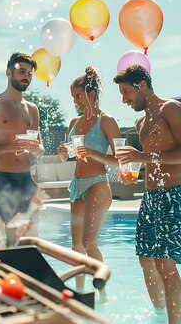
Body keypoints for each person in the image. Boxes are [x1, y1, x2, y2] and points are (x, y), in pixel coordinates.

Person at [113, 65, 181, 324]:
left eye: (127, 92)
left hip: (172, 196)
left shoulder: (170, 109)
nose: (124, 99)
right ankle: (159, 317)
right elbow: (146, 161)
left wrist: (144, 157)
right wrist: (131, 168)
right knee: (146, 260)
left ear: (143, 85)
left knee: (165, 265)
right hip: (149, 197)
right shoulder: (141, 121)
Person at [57, 66, 122, 294]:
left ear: (91, 93)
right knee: (76, 246)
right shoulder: (73, 122)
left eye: (78, 95)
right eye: (73, 97)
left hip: (97, 184)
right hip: (77, 185)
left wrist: (93, 153)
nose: (76, 101)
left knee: (88, 243)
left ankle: (103, 292)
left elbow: (119, 160)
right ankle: (80, 293)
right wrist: (64, 153)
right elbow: (71, 155)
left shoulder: (107, 121)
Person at [0, 52, 43, 248]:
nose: (26, 76)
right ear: (8, 73)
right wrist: (9, 147)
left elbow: (39, 149)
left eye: (30, 73)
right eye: (22, 71)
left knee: (27, 245)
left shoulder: (32, 109)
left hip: (26, 183)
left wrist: (37, 148)